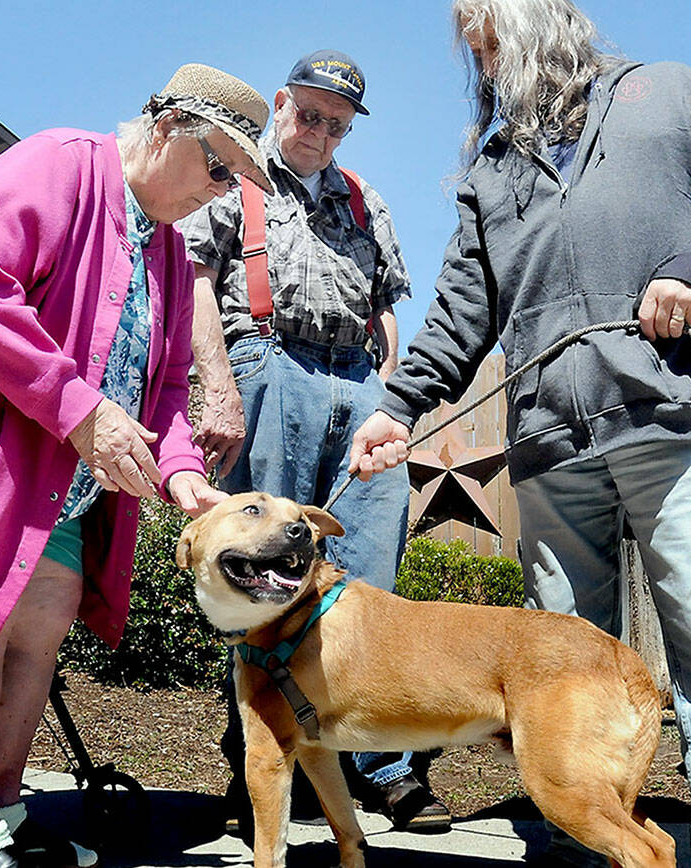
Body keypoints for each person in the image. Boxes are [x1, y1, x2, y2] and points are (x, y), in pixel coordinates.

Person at [350, 2, 691, 866]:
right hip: (551, 446)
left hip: (670, 417)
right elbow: (459, 312)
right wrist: (399, 405)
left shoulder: (668, 95)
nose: (481, 67)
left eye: (490, 45)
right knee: (557, 669)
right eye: (473, 55)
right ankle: (577, 850)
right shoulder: (491, 169)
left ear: (543, 28)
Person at [0, 65, 273, 868]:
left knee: (43, 621)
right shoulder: (58, 164)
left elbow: (168, 384)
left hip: (58, 469)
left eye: (236, 183)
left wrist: (180, 472)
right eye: (219, 167)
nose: (221, 191)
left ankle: (5, 807)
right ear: (172, 123)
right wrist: (82, 411)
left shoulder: (172, 253)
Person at [176, 50, 451, 834]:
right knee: (257, 584)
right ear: (280, 104)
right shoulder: (235, 177)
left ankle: (386, 768)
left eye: (336, 123)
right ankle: (258, 768)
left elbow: (388, 305)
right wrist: (220, 385)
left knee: (368, 575)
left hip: (357, 382)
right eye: (308, 113)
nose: (320, 132)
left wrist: (392, 394)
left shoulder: (366, 201)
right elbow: (195, 277)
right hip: (268, 366)